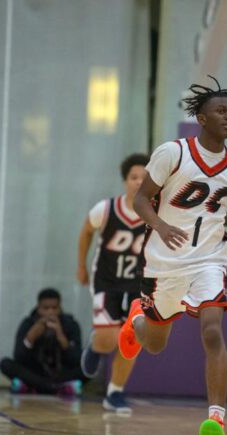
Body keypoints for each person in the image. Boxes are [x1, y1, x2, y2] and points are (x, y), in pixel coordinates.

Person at [118, 76, 227, 435]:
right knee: (155, 344)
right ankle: (137, 316)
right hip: (164, 263)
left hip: (209, 260)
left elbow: (225, 215)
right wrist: (160, 225)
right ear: (202, 118)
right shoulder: (173, 153)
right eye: (221, 110)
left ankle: (216, 419)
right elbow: (142, 199)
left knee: (211, 331)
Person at [77, 153, 149, 415]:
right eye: (134, 177)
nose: (139, 182)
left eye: (144, 177)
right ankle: (97, 343)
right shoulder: (106, 209)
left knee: (132, 339)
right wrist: (81, 265)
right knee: (109, 340)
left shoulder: (158, 214)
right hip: (106, 281)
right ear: (125, 181)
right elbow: (86, 231)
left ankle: (115, 392)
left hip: (138, 287)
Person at [0, 288, 83, 396]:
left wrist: (61, 337)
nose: (50, 312)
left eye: (54, 308)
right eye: (45, 308)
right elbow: (18, 357)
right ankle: (54, 388)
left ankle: (34, 387)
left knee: (89, 368)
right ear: (38, 308)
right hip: (35, 373)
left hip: (60, 373)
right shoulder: (28, 323)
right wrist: (30, 338)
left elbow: (77, 359)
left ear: (60, 308)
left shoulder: (70, 324)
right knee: (5, 364)